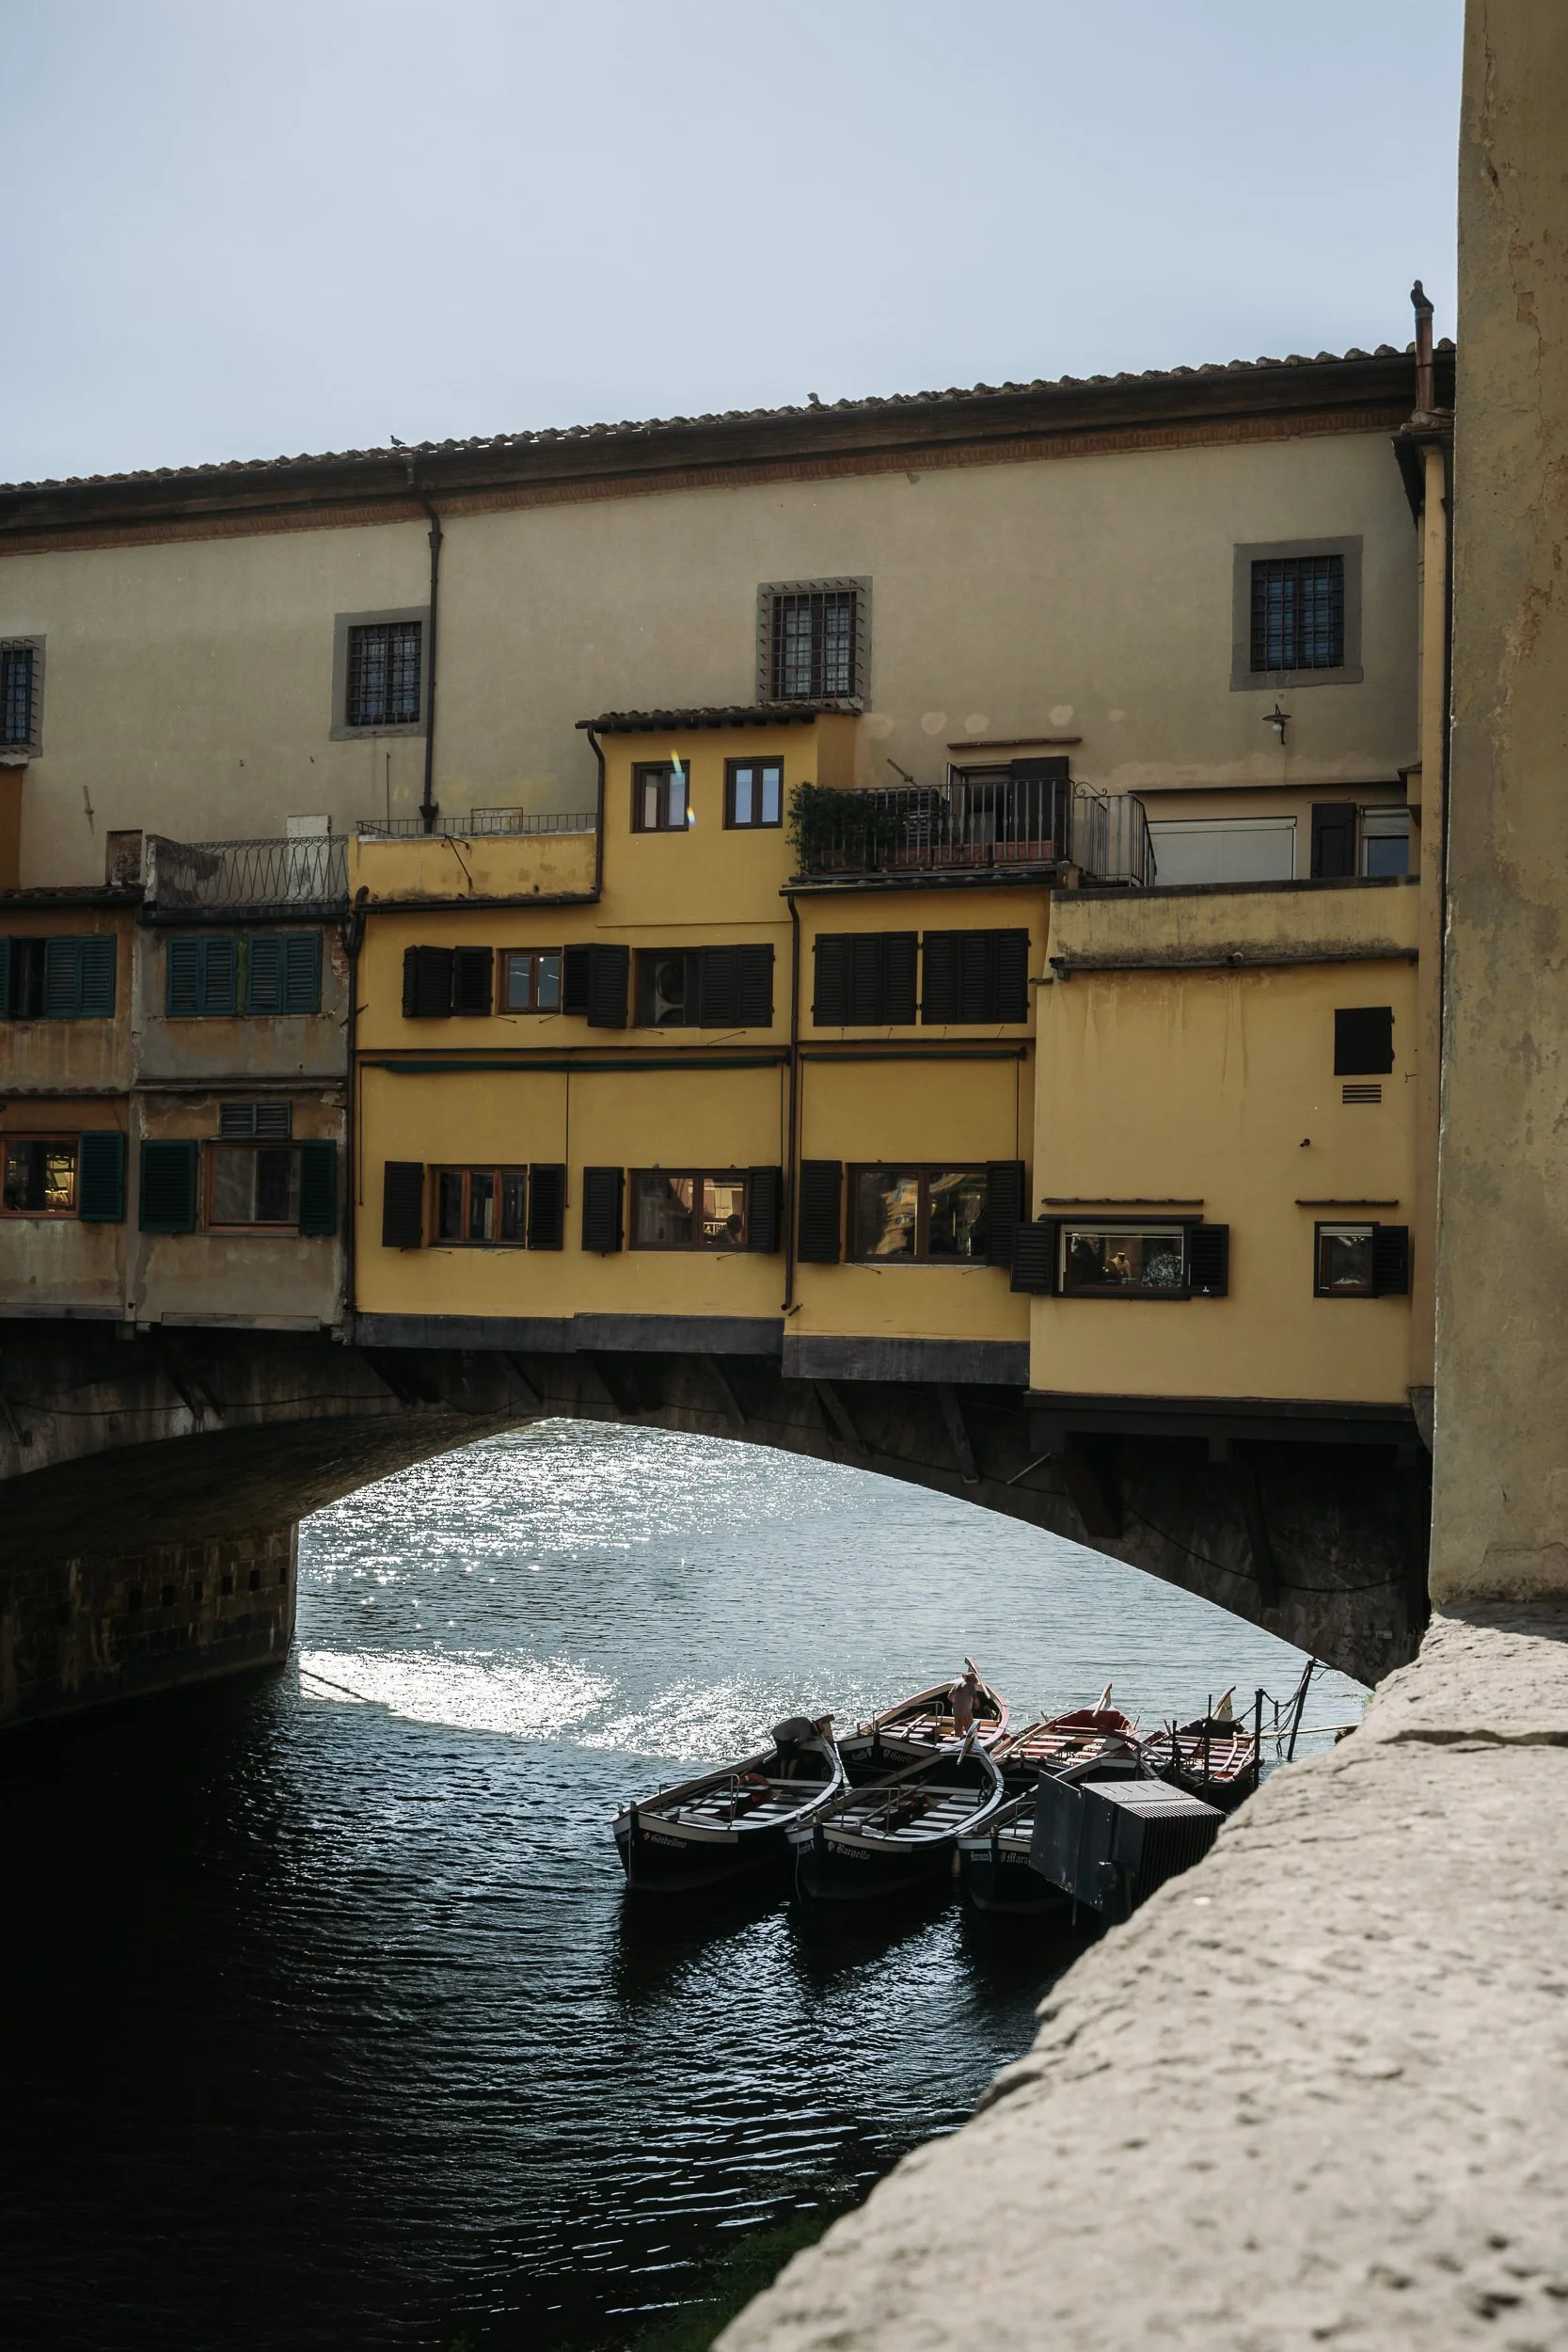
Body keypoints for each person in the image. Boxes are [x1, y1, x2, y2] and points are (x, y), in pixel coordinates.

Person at [949, 1661, 982, 1737]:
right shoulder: (971, 1685)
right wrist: (977, 1706)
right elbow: (975, 1699)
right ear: (973, 1679)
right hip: (965, 1712)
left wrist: (957, 1703)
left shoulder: (957, 1684)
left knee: (958, 1730)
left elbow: (949, 1697)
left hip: (955, 1711)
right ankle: (970, 1744)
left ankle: (958, 1743)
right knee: (970, 1730)